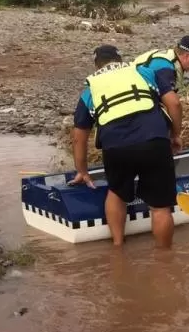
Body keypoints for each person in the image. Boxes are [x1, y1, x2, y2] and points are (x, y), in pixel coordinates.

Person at [69, 44, 181, 248]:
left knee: (116, 194)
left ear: (96, 66)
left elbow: (79, 137)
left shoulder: (90, 90)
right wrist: (175, 135)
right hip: (154, 142)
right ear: (120, 60)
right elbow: (174, 103)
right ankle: (166, 260)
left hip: (116, 148)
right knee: (160, 207)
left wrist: (82, 170)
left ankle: (118, 247)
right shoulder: (143, 72)